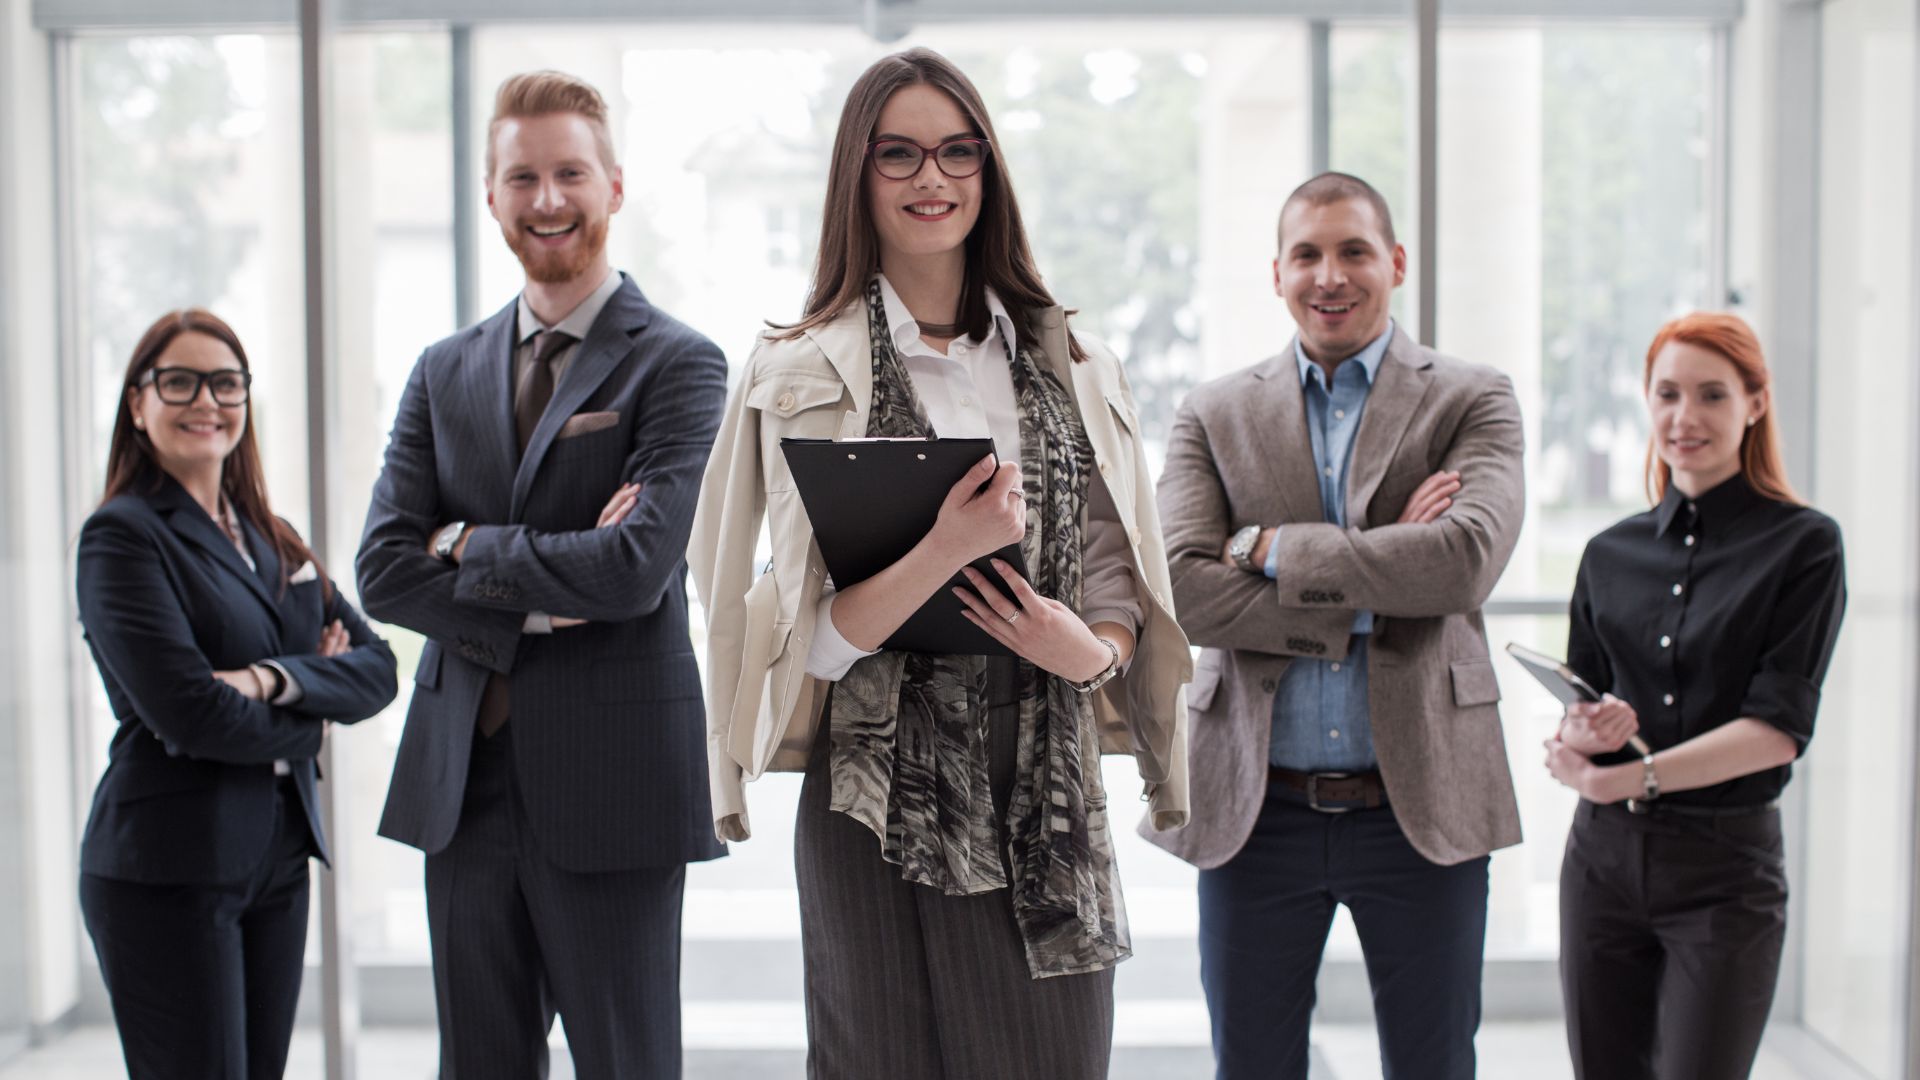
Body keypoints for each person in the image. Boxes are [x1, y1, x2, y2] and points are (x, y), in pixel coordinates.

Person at [689, 46, 1190, 1080]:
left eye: (958, 152)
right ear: (857, 177)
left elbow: (1113, 573)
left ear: (989, 172)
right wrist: (948, 551)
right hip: (867, 797)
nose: (933, 179)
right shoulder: (794, 372)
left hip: (1038, 783)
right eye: (901, 155)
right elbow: (812, 642)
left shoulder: (1071, 364)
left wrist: (1087, 651)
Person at [354, 70, 727, 1078]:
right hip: (460, 785)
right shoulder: (443, 369)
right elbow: (383, 572)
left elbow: (633, 573)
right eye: (524, 176)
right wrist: (543, 605)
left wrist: (467, 544)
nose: (548, 199)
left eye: (570, 172)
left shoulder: (682, 365)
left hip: (615, 786)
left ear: (614, 184)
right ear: (491, 195)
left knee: (626, 1061)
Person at [1141, 171, 1526, 1079]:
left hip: (1419, 802)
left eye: (1353, 250)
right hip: (1255, 806)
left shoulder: (1472, 397)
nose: (1330, 274)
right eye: (1306, 254)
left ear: (1394, 262)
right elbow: (1184, 592)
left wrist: (1268, 547)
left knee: (1434, 1064)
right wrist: (1386, 567)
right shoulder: (1215, 410)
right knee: (1254, 1066)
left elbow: (1465, 561)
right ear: (1276, 274)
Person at [74, 309, 397, 1079]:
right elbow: (187, 711)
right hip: (168, 868)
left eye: (225, 383)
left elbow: (379, 668)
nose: (206, 402)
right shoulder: (122, 537)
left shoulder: (272, 536)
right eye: (179, 382)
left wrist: (267, 680)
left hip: (276, 858)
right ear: (138, 403)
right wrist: (311, 721)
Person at [1545, 312, 1846, 1080]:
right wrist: (1578, 740)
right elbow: (1584, 709)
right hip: (1601, 865)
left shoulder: (1805, 545)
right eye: (1668, 394)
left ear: (1755, 403)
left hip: (1725, 870)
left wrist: (1630, 777)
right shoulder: (1609, 552)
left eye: (1712, 395)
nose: (1686, 418)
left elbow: (1777, 729)